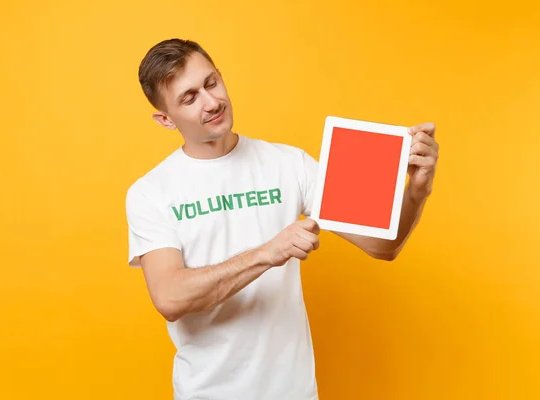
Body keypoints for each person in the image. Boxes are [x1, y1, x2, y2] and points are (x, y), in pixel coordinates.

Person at [125, 38, 439, 400]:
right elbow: (170, 297)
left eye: (211, 83)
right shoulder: (151, 192)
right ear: (165, 119)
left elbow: (383, 245)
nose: (211, 102)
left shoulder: (290, 164)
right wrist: (266, 253)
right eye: (189, 97)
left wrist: (416, 191)